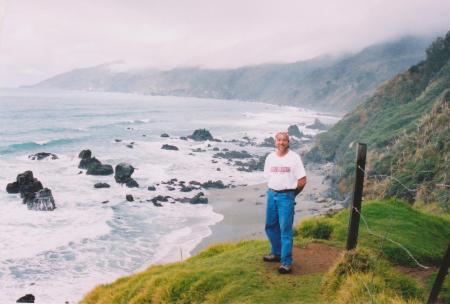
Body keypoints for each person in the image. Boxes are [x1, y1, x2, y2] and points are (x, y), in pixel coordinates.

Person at [263, 131, 307, 274]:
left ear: (288, 142)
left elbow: (302, 180)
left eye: (284, 140)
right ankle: (276, 253)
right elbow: (268, 176)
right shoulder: (270, 157)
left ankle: (286, 262)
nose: (281, 143)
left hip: (286, 196)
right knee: (270, 226)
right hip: (272, 194)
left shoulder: (294, 158)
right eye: (279, 140)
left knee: (285, 230)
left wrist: (291, 196)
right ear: (275, 142)